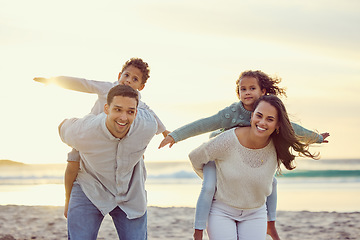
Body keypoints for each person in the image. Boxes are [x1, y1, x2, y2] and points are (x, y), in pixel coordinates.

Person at [158, 70, 329, 240]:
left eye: (252, 88)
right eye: (243, 89)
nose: (247, 92)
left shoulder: (268, 110)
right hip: (218, 153)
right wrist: (176, 136)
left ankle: (271, 225)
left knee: (272, 182)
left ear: (263, 91)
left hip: (251, 198)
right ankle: (198, 231)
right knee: (209, 186)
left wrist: (317, 138)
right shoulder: (231, 112)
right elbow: (205, 124)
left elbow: (292, 129)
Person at [34, 57, 169, 217]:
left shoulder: (136, 100)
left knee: (136, 160)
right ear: (119, 74)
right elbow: (85, 84)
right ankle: (68, 199)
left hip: (118, 140)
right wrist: (55, 81)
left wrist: (164, 131)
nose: (128, 81)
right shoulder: (107, 88)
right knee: (73, 162)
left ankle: (129, 198)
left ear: (141, 86)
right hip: (90, 137)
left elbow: (151, 115)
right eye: (126, 75)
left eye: (134, 79)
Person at [189, 95, 319, 240]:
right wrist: (212, 177)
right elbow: (195, 157)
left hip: (255, 213)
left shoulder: (278, 146)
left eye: (270, 119)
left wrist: (317, 138)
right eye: (259, 116)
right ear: (251, 117)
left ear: (277, 125)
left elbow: (271, 185)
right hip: (222, 210)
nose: (262, 122)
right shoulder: (228, 140)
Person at [58, 84, 157, 239]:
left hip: (130, 193)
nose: (123, 117)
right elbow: (62, 127)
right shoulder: (84, 130)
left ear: (136, 113)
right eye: (117, 109)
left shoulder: (148, 126)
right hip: (91, 187)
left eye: (130, 112)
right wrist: (78, 148)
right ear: (106, 109)